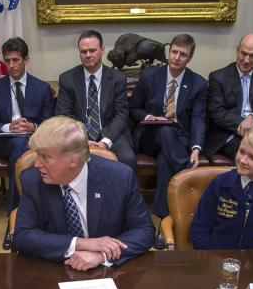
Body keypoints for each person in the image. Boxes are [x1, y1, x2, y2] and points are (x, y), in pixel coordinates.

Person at [12, 116, 154, 270]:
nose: (37, 164)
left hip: (109, 273)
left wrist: (102, 255)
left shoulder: (119, 178)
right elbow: (23, 236)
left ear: (72, 161)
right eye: (37, 154)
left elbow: (144, 231)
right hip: (54, 269)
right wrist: (82, 244)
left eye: (45, 157)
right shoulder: (32, 180)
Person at [129, 33, 208, 221]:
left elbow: (198, 118)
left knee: (165, 160)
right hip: (149, 136)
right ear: (168, 51)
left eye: (182, 54)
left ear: (190, 58)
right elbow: (133, 108)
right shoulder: (149, 76)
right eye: (174, 52)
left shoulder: (198, 83)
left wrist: (196, 148)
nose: (176, 57)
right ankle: (187, 171)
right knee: (164, 129)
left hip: (177, 139)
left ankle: (162, 217)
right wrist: (149, 116)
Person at [0, 37, 56, 214]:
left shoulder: (41, 88)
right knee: (18, 145)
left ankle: (32, 209)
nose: (11, 65)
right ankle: (18, 212)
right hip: (5, 143)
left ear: (26, 60)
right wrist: (9, 127)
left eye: (15, 60)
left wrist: (33, 128)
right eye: (7, 61)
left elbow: (50, 123)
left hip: (34, 140)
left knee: (24, 146)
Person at [54, 30, 136, 172]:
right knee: (65, 159)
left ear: (102, 50)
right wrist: (82, 139)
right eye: (83, 52)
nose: (88, 55)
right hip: (77, 135)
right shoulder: (67, 79)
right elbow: (63, 115)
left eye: (92, 50)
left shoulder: (117, 78)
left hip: (111, 134)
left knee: (127, 158)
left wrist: (105, 141)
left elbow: (122, 114)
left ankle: (124, 195)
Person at [202, 34, 253, 162]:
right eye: (243, 53)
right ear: (237, 50)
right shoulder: (218, 77)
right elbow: (217, 114)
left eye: (252, 55)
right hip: (230, 135)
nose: (246, 60)